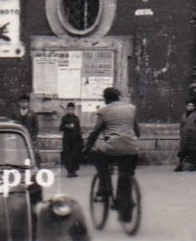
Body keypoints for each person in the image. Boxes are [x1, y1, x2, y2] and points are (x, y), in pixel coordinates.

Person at [85, 86, 141, 222]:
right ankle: (125, 211)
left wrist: (86, 149)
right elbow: (137, 131)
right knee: (126, 176)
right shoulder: (131, 109)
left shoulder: (103, 111)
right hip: (132, 149)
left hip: (113, 148)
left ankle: (105, 187)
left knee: (99, 157)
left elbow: (95, 132)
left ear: (105, 99)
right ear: (118, 97)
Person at [176, 100, 196, 172]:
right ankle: (180, 165)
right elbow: (181, 125)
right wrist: (181, 133)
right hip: (184, 135)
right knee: (182, 150)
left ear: (194, 107)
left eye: (191, 106)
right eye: (188, 106)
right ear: (186, 106)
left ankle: (192, 165)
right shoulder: (183, 115)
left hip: (193, 135)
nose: (190, 107)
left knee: (192, 150)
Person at [58, 103, 84, 178]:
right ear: (67, 109)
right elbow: (60, 128)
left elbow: (78, 129)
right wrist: (67, 126)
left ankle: (74, 170)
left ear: (74, 110)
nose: (70, 111)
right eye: (69, 109)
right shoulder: (64, 118)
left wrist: (80, 138)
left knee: (75, 155)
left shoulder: (76, 118)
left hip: (75, 139)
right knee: (68, 155)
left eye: (72, 109)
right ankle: (69, 171)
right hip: (67, 140)